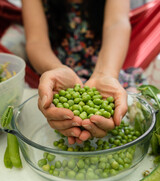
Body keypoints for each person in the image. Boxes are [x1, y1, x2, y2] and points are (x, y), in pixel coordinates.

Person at [22, 0, 131, 144]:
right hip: (55, 70)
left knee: (132, 106)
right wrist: (55, 69)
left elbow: (117, 24)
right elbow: (36, 41)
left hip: (106, 64)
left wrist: (106, 73)